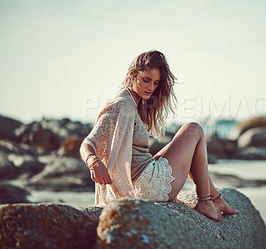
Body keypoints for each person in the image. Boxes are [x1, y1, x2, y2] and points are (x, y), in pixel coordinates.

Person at [80, 50, 237, 221]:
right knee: (194, 129)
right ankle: (206, 201)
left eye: (155, 83)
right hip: (145, 186)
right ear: (133, 75)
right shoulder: (121, 104)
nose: (151, 87)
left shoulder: (132, 101)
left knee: (187, 147)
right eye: (146, 80)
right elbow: (87, 144)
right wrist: (94, 163)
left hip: (141, 176)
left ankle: (216, 199)